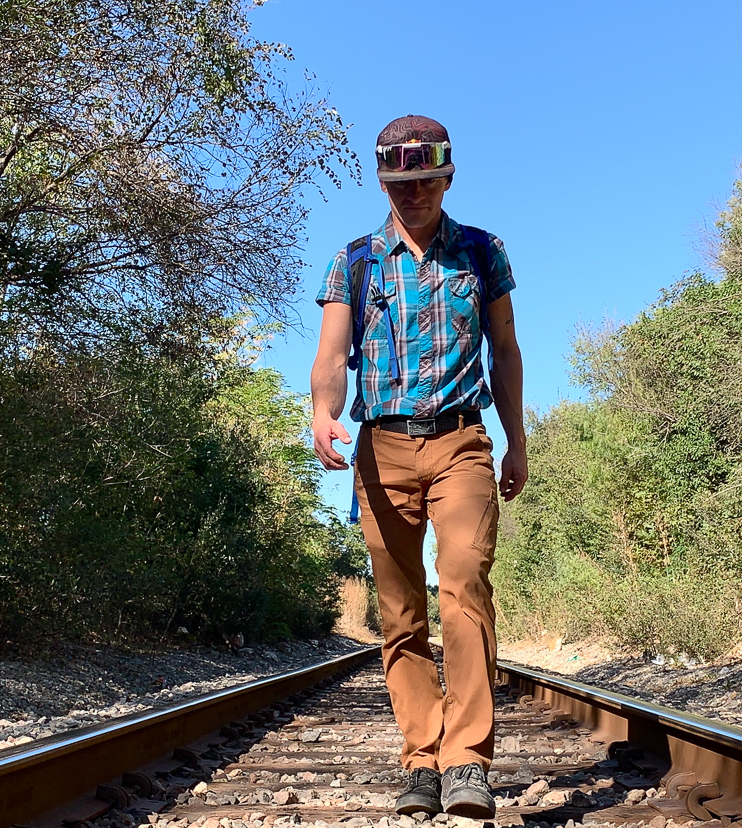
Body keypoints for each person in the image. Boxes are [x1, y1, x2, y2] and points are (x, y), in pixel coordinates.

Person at [310, 114, 527, 820]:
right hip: (382, 447)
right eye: (401, 183)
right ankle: (422, 759)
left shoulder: (482, 252)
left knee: (463, 581)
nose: (415, 194)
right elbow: (331, 354)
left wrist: (516, 438)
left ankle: (467, 760)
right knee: (401, 613)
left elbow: (506, 350)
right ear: (383, 182)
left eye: (427, 180)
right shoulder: (355, 260)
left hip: (462, 440)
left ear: (448, 176)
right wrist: (323, 411)